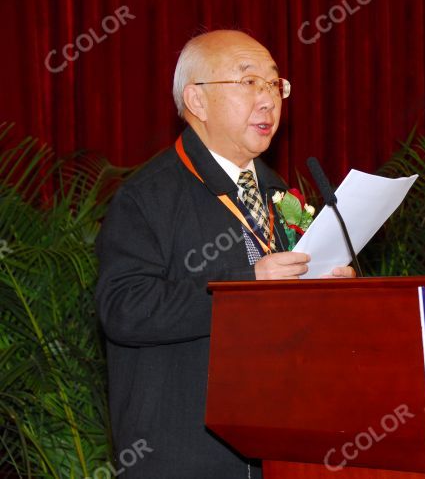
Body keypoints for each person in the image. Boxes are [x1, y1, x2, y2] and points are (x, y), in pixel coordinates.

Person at [96, 30, 354, 478]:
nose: (269, 99)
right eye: (249, 81)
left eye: (275, 84)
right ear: (196, 101)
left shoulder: (279, 191)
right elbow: (123, 309)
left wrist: (330, 293)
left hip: (282, 446)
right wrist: (246, 286)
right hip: (183, 455)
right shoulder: (146, 198)